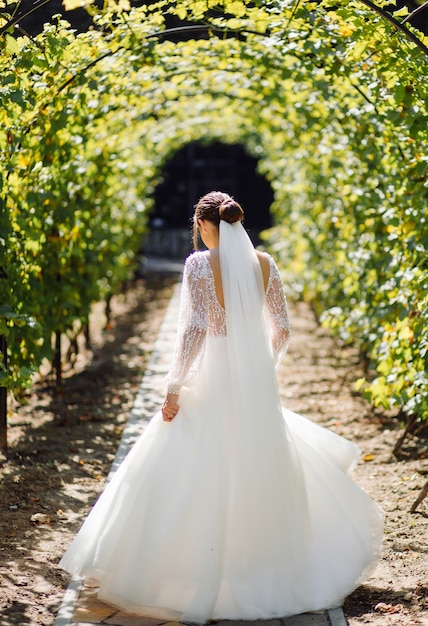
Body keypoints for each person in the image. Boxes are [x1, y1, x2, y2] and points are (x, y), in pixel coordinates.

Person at [60, 191, 383, 623]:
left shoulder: (198, 265)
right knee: (256, 466)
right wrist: (259, 367)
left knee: (187, 464)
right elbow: (282, 329)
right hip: (253, 385)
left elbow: (194, 330)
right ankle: (258, 570)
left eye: (200, 229)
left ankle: (181, 574)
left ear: (205, 225)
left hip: (212, 379)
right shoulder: (265, 264)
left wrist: (174, 387)